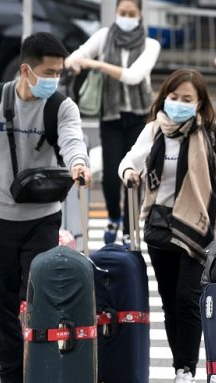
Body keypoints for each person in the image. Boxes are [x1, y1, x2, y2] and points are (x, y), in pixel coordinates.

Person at [119, 69, 216, 383]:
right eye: (174, 97)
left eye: (187, 99)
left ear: (200, 102)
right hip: (160, 229)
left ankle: (186, 373)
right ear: (164, 97)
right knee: (169, 303)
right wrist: (130, 172)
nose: (178, 104)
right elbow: (128, 162)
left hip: (199, 230)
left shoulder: (215, 132)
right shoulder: (154, 130)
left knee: (187, 300)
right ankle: (182, 367)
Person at [0, 32, 91, 383]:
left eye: (59, 73)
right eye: (48, 72)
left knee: (41, 301)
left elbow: (73, 140)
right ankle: (12, 382)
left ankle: (43, 378)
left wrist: (79, 164)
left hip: (42, 218)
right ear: (25, 70)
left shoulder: (60, 106)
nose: (54, 80)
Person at [65, 0, 160, 244]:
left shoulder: (151, 45)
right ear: (116, 12)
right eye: (122, 13)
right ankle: (113, 217)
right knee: (109, 175)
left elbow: (133, 76)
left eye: (131, 13)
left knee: (134, 173)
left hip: (139, 116)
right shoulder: (104, 36)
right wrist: (76, 62)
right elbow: (73, 58)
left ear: (140, 16)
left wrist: (95, 63)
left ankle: (129, 228)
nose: (126, 17)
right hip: (111, 115)